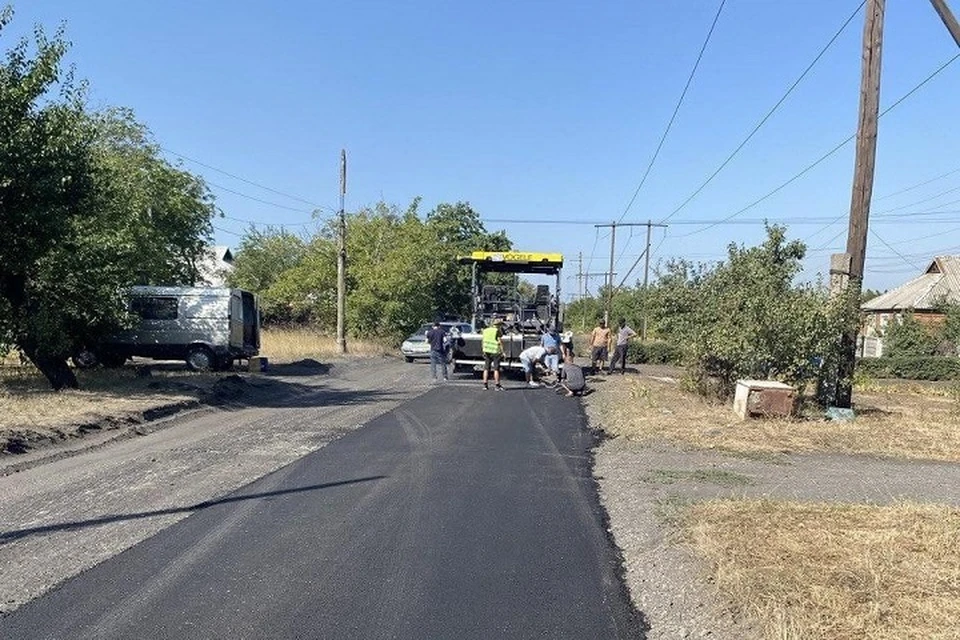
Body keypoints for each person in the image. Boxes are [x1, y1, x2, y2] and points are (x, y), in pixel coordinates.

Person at [482, 317, 505, 391]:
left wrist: (483, 350)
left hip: (486, 351)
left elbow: (482, 341)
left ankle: (485, 385)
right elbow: (500, 340)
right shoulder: (497, 330)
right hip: (495, 351)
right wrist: (503, 352)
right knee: (496, 369)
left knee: (486, 368)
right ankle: (497, 385)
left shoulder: (485, 330)